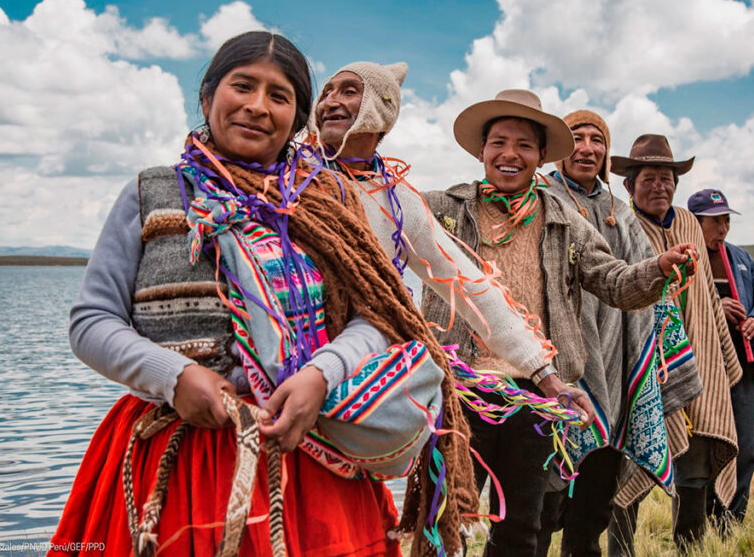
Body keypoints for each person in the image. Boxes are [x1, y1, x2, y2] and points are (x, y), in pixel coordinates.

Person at [49, 32, 476, 557]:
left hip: (309, 456)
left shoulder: (324, 204)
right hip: (178, 458)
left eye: (279, 96)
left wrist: (322, 375)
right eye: (243, 86)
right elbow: (92, 322)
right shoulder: (151, 192)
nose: (257, 106)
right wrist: (174, 375)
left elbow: (380, 314)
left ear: (299, 120)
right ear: (208, 97)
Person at [421, 91, 696, 556]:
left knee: (520, 528)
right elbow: (376, 222)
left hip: (537, 393)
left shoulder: (563, 220)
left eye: (525, 145)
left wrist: (655, 270)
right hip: (456, 387)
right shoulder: (442, 209)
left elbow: (612, 281)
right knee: (441, 520)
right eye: (499, 142)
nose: (510, 154)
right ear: (481, 150)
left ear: (541, 156)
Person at [308, 61, 592, 420]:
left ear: (382, 109)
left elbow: (470, 286)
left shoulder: (397, 202)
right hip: (283, 354)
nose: (330, 101)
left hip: (351, 377)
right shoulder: (289, 176)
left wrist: (545, 375)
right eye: (326, 92)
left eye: (349, 91)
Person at [538, 111, 703, 557]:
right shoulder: (540, 198)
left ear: (607, 152)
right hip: (550, 367)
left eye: (597, 139)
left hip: (614, 367)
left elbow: (648, 283)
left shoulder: (618, 212)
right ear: (558, 146)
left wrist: (660, 356)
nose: (587, 147)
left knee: (594, 498)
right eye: (577, 137)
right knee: (541, 501)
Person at [609, 134, 743, 552]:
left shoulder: (687, 222)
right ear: (629, 185)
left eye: (666, 178)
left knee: (696, 470)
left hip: (699, 360)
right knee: (630, 470)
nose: (659, 186)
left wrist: (722, 354)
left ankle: (689, 548)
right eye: (648, 178)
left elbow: (702, 291)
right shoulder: (619, 224)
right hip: (644, 365)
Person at [688, 188, 754, 526]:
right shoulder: (685, 257)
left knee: (745, 449)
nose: (723, 228)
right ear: (695, 223)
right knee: (704, 449)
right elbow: (678, 306)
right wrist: (716, 307)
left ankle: (731, 524)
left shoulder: (741, 258)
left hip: (742, 370)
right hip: (702, 372)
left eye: (726, 220)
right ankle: (701, 521)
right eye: (715, 222)